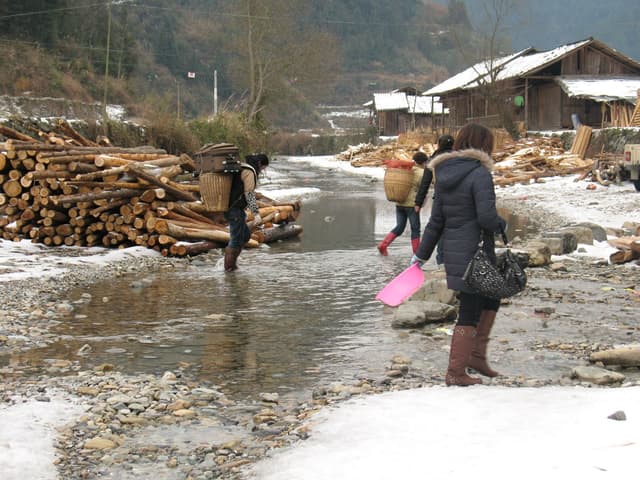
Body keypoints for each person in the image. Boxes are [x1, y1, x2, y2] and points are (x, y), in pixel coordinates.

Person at [410, 123, 506, 386]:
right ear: (484, 146)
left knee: (492, 297)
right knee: (471, 308)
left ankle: (476, 357)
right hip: (475, 253)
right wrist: (500, 225)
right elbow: (487, 218)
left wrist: (421, 255)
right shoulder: (480, 174)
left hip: (455, 252)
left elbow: (436, 221)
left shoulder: (444, 173)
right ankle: (455, 373)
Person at [224, 153, 269, 272]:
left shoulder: (242, 167)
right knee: (235, 240)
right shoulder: (249, 171)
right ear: (260, 164)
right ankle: (229, 269)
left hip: (233, 208)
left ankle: (233, 265)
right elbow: (249, 194)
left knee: (245, 236)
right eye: (263, 168)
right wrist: (256, 213)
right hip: (234, 209)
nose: (263, 171)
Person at [414, 134, 454, 264]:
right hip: (459, 199)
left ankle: (441, 261)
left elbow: (425, 184)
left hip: (441, 199)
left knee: (440, 229)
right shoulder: (459, 158)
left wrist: (418, 203)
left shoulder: (433, 160)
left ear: (438, 145)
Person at [377, 151, 428, 256]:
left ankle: (383, 244)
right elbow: (423, 190)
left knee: (400, 227)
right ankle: (417, 254)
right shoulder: (422, 173)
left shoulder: (406, 170)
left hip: (400, 203)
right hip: (412, 205)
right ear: (423, 162)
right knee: (415, 229)